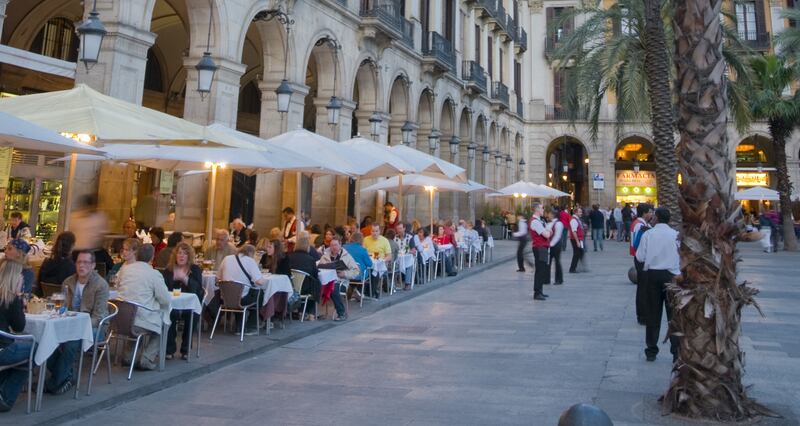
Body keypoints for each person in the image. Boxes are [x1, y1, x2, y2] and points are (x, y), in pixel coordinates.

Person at [46, 250, 109, 394]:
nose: (82, 266)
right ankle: (66, 376)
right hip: (70, 324)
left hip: (94, 328)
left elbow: (98, 317)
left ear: (93, 265)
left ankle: (54, 382)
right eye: (79, 262)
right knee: (47, 338)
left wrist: (78, 326)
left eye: (86, 262)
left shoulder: (100, 285)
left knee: (72, 342)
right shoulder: (68, 282)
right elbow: (63, 308)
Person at [635, 207, 681, 362]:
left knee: (653, 314)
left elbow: (640, 256)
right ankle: (676, 351)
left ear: (657, 218)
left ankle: (651, 350)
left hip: (652, 276)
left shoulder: (648, 234)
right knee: (673, 315)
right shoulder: (675, 235)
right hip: (671, 276)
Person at [116, 244, 170, 370]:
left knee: (136, 321)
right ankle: (147, 358)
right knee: (161, 323)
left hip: (119, 318)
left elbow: (118, 287)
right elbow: (165, 299)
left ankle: (128, 357)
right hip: (139, 320)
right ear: (152, 257)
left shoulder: (125, 270)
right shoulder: (153, 274)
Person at [160, 243, 202, 359]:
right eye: (179, 253)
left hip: (189, 305)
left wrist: (184, 278)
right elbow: (163, 288)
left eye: (185, 253)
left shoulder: (195, 269)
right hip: (172, 304)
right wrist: (173, 280)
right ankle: (169, 349)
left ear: (189, 256)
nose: (181, 256)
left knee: (191, 315)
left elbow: (198, 289)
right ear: (175, 255)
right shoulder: (169, 270)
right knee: (169, 314)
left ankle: (186, 349)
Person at [0, 260, 31, 412]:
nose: (23, 278)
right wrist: (20, 299)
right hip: (2, 350)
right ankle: (6, 397)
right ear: (14, 277)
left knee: (18, 350)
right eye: (21, 275)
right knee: (34, 348)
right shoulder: (11, 299)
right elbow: (19, 327)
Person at [216, 244, 268, 333]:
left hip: (225, 299)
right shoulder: (250, 261)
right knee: (259, 294)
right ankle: (251, 325)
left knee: (239, 293)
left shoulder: (226, 259)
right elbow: (259, 282)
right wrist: (265, 280)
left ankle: (239, 326)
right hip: (241, 299)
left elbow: (217, 278)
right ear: (251, 253)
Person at [319, 237, 359, 321]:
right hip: (326, 281)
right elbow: (320, 268)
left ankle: (341, 312)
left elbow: (356, 271)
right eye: (332, 245)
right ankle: (311, 313)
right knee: (314, 286)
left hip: (341, 281)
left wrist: (344, 274)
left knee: (333, 288)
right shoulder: (325, 256)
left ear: (340, 245)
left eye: (336, 245)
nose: (334, 247)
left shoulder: (346, 256)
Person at [286, 235, 321, 321]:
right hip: (305, 288)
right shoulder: (310, 259)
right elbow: (315, 274)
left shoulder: (289, 257)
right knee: (316, 284)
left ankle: (301, 310)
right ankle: (311, 312)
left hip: (291, 286)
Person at [631, 203, 653, 325]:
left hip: (641, 258)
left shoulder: (640, 224)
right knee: (643, 288)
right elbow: (637, 243)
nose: (652, 214)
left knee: (643, 287)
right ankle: (643, 315)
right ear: (644, 213)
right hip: (641, 259)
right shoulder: (639, 225)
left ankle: (643, 313)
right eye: (650, 212)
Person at [529, 203, 551, 301]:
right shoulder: (535, 222)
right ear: (537, 209)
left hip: (543, 247)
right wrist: (548, 232)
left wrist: (548, 231)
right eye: (542, 208)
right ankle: (537, 292)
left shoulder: (540, 221)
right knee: (540, 270)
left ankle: (540, 291)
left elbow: (549, 231)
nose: (543, 210)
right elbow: (547, 234)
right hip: (539, 247)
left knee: (542, 269)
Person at [393, 223, 416, 290]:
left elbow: (414, 251)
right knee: (393, 263)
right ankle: (394, 282)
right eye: (397, 229)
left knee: (409, 264)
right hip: (398, 257)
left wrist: (408, 252)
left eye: (400, 228)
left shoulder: (410, 238)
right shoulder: (395, 238)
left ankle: (407, 283)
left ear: (404, 228)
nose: (399, 230)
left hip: (407, 257)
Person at [547, 207, 564, 285]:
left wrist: (550, 244)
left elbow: (557, 236)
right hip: (549, 245)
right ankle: (546, 279)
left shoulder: (559, 223)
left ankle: (559, 279)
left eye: (549, 214)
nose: (548, 215)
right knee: (548, 262)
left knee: (557, 262)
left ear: (553, 215)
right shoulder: (549, 223)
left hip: (556, 245)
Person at [567, 208, 585, 274]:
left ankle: (577, 267)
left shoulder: (576, 219)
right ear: (575, 212)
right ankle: (572, 269)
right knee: (576, 254)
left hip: (579, 239)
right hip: (575, 239)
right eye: (580, 212)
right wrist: (577, 241)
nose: (581, 213)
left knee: (580, 252)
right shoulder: (573, 220)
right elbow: (574, 231)